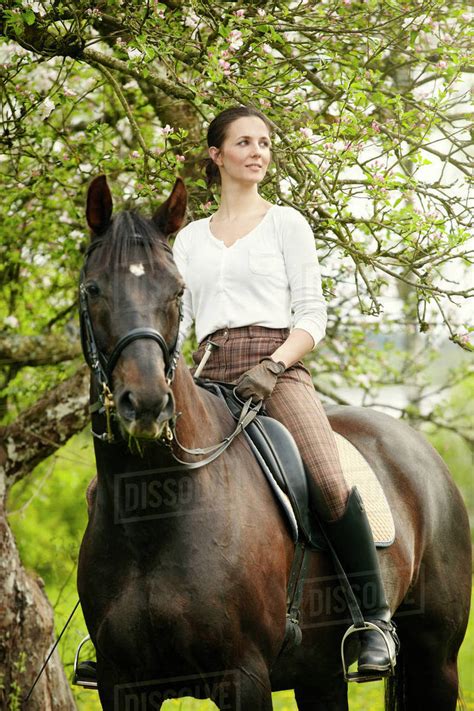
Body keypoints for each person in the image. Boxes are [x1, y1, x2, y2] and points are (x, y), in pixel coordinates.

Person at [172, 105, 398, 680]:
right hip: (207, 372)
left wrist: (274, 366)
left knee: (324, 475)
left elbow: (312, 316)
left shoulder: (285, 224)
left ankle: (373, 621)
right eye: (243, 142)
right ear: (216, 155)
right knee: (129, 477)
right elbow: (181, 322)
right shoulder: (190, 239)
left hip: (279, 368)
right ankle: (122, 631)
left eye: (265, 143)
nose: (257, 152)